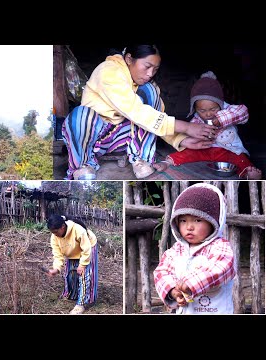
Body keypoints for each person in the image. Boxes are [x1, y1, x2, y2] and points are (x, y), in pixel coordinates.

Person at [62, 44, 217, 180]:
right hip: (94, 137)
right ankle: (82, 165)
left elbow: (154, 117)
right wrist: (187, 127)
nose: (150, 73)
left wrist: (180, 140)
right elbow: (136, 111)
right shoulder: (108, 71)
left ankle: (141, 160)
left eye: (155, 69)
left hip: (120, 139)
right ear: (129, 59)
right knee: (79, 114)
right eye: (147, 66)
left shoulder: (143, 83)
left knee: (150, 92)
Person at [154, 71, 262, 179]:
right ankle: (167, 162)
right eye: (202, 110)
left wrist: (221, 119)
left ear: (220, 104)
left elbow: (243, 113)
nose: (208, 114)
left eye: (213, 109)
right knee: (187, 153)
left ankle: (248, 172)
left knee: (240, 158)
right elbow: (189, 136)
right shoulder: (196, 119)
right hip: (205, 150)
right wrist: (196, 138)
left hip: (228, 151)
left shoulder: (228, 109)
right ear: (194, 108)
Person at [153, 183, 236, 314]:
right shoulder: (175, 250)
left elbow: (222, 268)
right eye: (183, 221)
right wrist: (173, 290)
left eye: (197, 220)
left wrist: (191, 284)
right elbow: (162, 272)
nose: (189, 227)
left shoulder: (220, 247)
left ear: (213, 222)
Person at [46, 214, 98, 314]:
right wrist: (56, 268)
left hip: (88, 247)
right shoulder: (54, 237)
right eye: (52, 232)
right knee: (70, 275)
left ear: (62, 227)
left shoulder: (78, 230)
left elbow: (86, 249)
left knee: (84, 275)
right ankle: (72, 295)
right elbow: (58, 255)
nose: (54, 234)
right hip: (72, 250)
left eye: (56, 232)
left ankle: (81, 304)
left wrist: (82, 265)